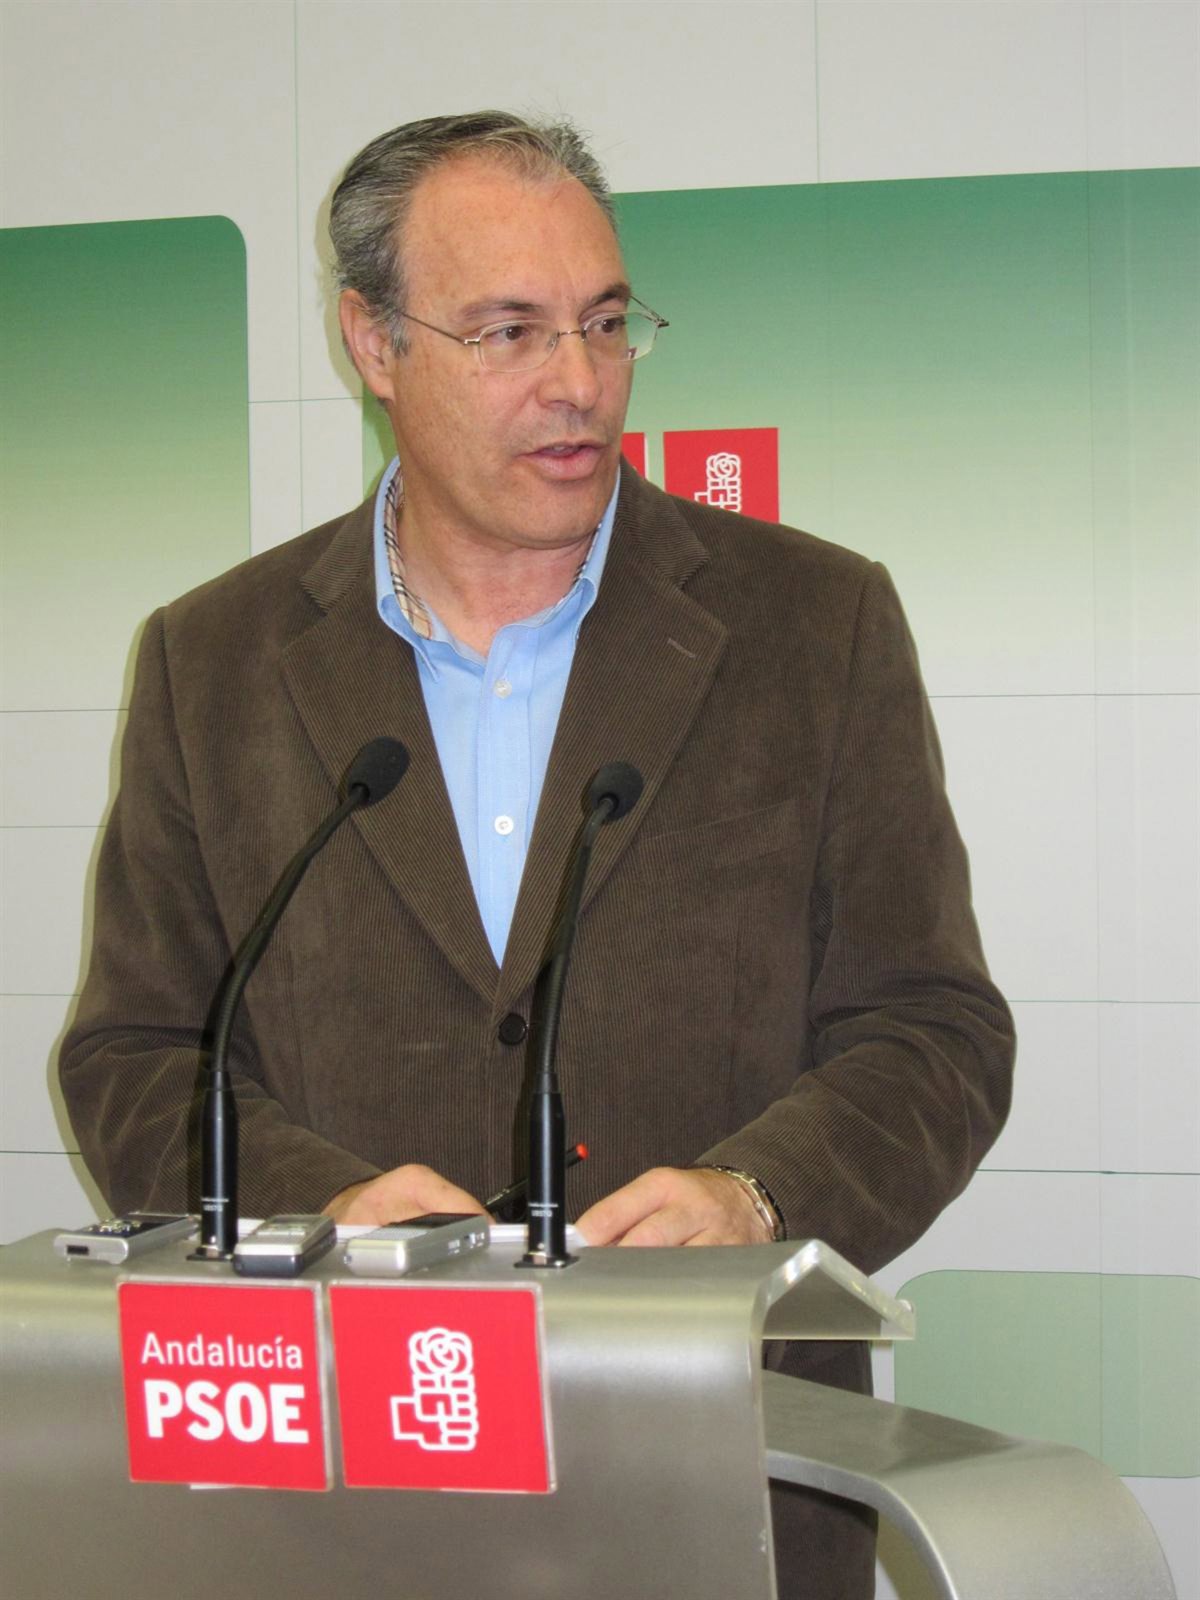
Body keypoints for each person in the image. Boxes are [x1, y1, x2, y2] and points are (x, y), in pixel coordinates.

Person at [60, 111, 1014, 1597]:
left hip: (717, 1472)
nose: (578, 381)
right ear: (373, 344)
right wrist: (323, 1213)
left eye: (606, 322)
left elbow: (934, 1031)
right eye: (509, 331)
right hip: (340, 1485)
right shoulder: (214, 660)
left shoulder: (812, 626)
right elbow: (137, 1055)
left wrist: (757, 1197)